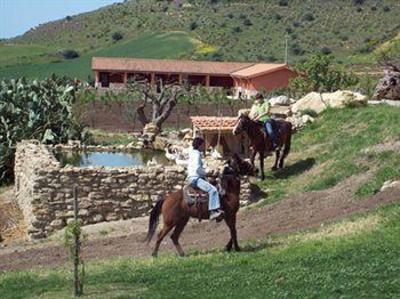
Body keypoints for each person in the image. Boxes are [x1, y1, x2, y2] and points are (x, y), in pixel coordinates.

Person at [186, 137, 224, 221]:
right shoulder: (197, 154)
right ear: (199, 145)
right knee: (213, 190)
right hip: (196, 178)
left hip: (192, 177)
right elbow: (197, 169)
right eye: (203, 145)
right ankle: (213, 212)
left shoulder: (192, 153)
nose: (204, 146)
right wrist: (208, 172)